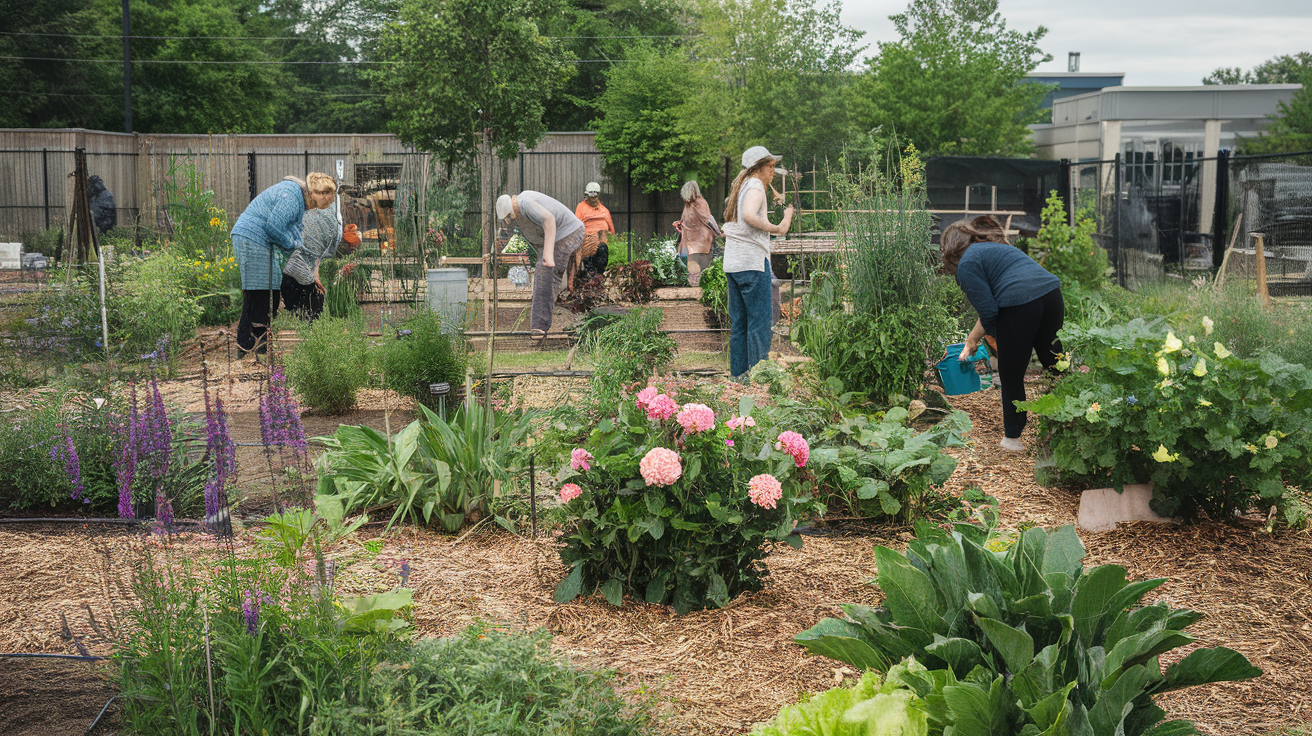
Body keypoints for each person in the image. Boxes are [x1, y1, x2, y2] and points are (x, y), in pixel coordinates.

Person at [940, 215, 1064, 453]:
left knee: (1011, 374)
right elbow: (999, 302)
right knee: (1054, 364)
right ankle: (1067, 424)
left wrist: (1001, 342)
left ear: (951, 252)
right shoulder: (993, 250)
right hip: (1051, 295)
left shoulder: (967, 264)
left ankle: (1012, 439)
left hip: (1021, 303)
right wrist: (972, 340)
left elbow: (989, 311)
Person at [231, 172, 336, 356]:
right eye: (314, 205)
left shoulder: (296, 194)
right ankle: (260, 349)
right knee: (265, 294)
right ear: (312, 194)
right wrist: (291, 243)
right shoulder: (292, 197)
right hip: (253, 239)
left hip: (252, 238)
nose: (311, 209)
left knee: (257, 293)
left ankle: (246, 346)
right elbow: (273, 227)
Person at [722, 146, 793, 379]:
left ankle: (739, 377)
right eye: (770, 166)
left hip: (734, 264)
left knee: (740, 324)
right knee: (760, 324)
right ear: (758, 167)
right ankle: (758, 380)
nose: (773, 171)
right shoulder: (754, 186)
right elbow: (750, 215)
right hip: (752, 264)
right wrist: (778, 227)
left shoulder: (742, 186)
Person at [495, 190, 586, 339]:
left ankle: (539, 329)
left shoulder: (526, 204)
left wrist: (548, 255)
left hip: (569, 233)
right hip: (562, 235)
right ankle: (542, 325)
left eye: (509, 219)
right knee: (545, 276)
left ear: (510, 214)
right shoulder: (521, 205)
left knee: (544, 275)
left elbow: (549, 219)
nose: (511, 221)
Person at [281, 205, 361, 322]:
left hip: (304, 270)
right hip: (296, 270)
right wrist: (315, 275)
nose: (350, 247)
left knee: (312, 299)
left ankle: (310, 320)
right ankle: (307, 320)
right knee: (309, 299)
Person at [673, 180, 723, 286]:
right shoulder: (688, 205)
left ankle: (696, 284)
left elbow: (708, 219)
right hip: (691, 238)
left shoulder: (698, 203)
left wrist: (718, 232)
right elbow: (687, 219)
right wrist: (679, 223)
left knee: (693, 261)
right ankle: (699, 284)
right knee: (697, 262)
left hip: (699, 238)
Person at [574, 181, 615, 279]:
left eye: (595, 196)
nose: (593, 198)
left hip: (601, 244)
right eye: (591, 195)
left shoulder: (604, 210)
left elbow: (611, 230)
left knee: (601, 268)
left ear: (598, 195)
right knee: (589, 270)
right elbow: (576, 226)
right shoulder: (581, 208)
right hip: (586, 245)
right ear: (586, 194)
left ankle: (599, 280)